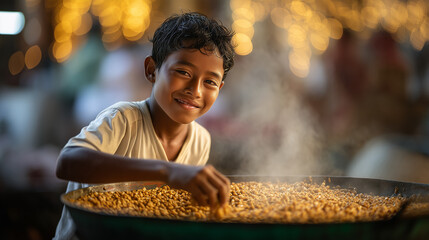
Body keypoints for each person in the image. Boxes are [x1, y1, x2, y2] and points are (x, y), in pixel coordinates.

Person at [53, 12, 235, 240]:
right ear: (151, 70)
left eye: (210, 81)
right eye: (183, 72)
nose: (196, 90)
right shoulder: (124, 119)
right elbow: (67, 163)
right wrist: (167, 172)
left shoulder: (201, 140)